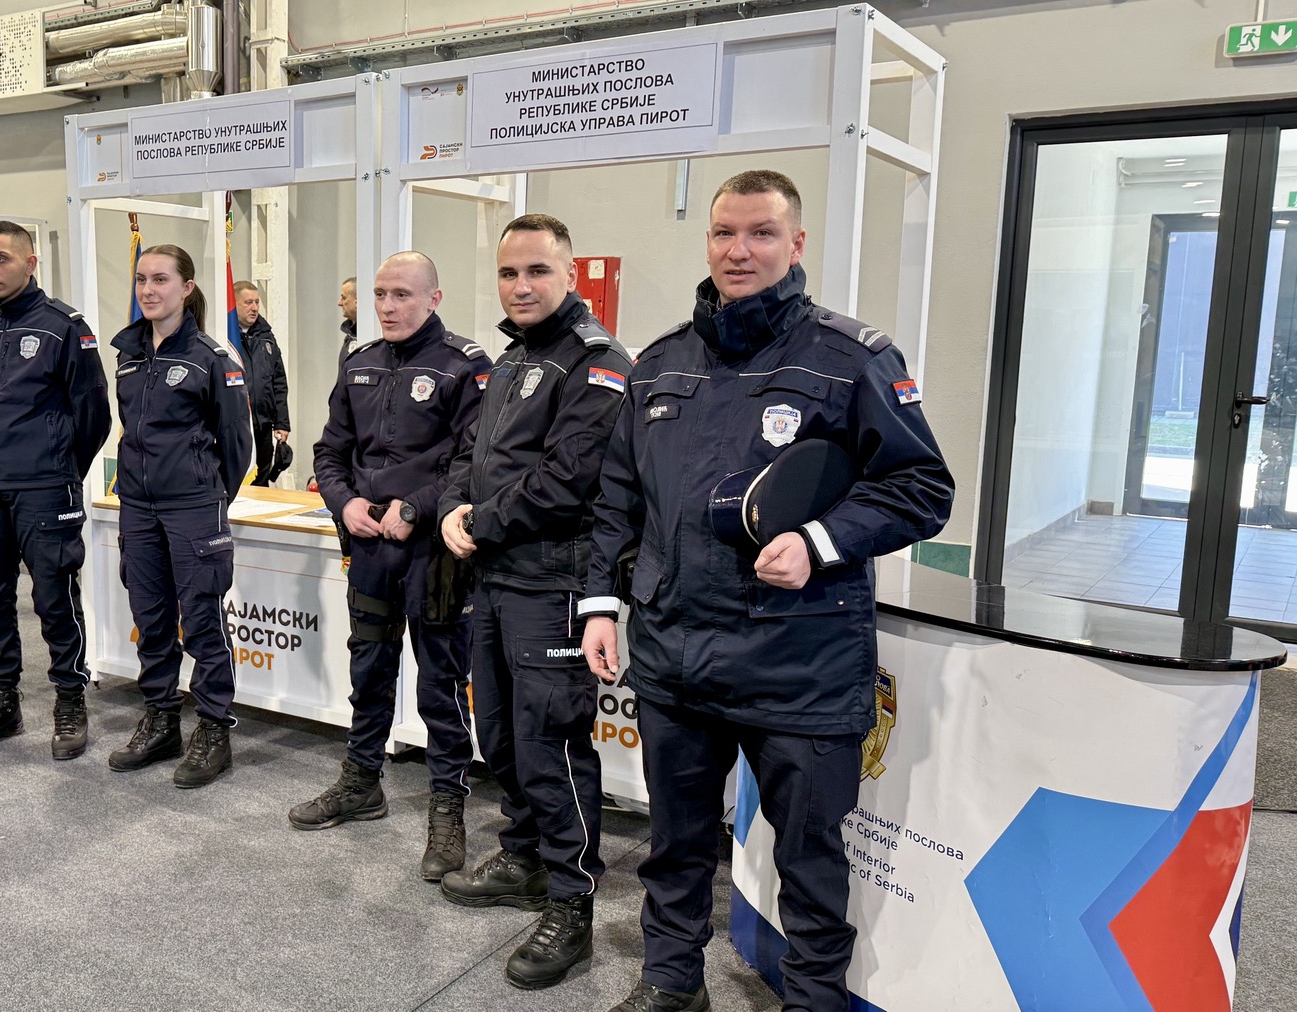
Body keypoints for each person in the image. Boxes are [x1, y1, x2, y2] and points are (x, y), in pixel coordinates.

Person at [581, 170, 954, 1012]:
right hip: (676, 656)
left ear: (796, 243)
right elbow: (619, 499)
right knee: (675, 843)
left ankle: (813, 1001)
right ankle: (671, 982)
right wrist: (601, 603)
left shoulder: (853, 359)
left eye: (760, 233)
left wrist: (821, 542)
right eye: (724, 233)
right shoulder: (659, 364)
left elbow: (922, 487)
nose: (739, 250)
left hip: (801, 661)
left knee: (809, 860)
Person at [437, 213, 632, 990]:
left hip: (553, 583)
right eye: (509, 273)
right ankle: (523, 857)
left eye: (538, 271)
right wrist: (451, 507)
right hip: (496, 578)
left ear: (571, 274)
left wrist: (478, 522)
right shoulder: (513, 358)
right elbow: (472, 455)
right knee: (500, 736)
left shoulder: (598, 362)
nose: (521, 286)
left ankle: (570, 898)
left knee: (551, 743)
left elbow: (567, 481)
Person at [291, 251, 491, 882]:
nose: (387, 306)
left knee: (441, 682)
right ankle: (361, 781)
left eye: (402, 294)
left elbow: (474, 464)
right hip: (371, 547)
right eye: (380, 294)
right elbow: (330, 451)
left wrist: (417, 507)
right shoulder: (359, 364)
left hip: (435, 551)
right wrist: (343, 502)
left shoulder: (464, 366)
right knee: (369, 668)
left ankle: (448, 804)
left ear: (434, 298)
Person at [0, 220, 112, 760]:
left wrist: (59, 466)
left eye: (1, 258)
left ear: (30, 262)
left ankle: (70, 699)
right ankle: (1, 700)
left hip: (44, 486)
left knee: (55, 597)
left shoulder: (64, 327)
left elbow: (94, 414)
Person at [105, 245, 252, 788]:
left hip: (193, 508)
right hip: (138, 507)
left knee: (203, 623)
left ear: (187, 288)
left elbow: (237, 445)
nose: (148, 290)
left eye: (161, 279)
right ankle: (161, 718)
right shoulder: (128, 354)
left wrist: (207, 496)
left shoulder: (214, 358)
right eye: (142, 279)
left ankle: (213, 729)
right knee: (151, 619)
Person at [235, 281, 290, 486]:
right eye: (248, 302)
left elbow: (279, 382)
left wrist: (282, 422)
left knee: (262, 481)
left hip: (263, 424)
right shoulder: (225, 338)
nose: (254, 308)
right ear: (234, 304)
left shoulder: (267, 337)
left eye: (257, 302)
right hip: (238, 426)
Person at [336, 276, 357, 370]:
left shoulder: (373, 336)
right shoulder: (350, 335)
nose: (339, 303)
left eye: (343, 298)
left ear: (357, 301)